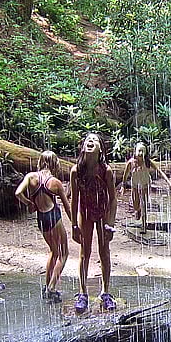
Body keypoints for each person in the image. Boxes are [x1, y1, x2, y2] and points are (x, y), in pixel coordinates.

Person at [70, 132, 117, 314]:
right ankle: (83, 293)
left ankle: (106, 292)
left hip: (103, 213)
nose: (91, 141)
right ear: (83, 147)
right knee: (85, 253)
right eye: (88, 140)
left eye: (95, 140)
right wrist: (74, 225)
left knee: (104, 252)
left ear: (100, 150)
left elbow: (113, 199)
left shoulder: (106, 171)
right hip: (86, 213)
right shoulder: (77, 171)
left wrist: (110, 224)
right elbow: (75, 200)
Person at [15, 151, 71, 302]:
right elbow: (66, 206)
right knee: (63, 253)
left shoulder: (31, 177)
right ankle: (52, 287)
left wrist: (29, 203)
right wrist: (75, 224)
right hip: (53, 216)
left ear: (40, 161)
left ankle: (46, 286)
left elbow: (18, 192)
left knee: (53, 251)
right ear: (54, 164)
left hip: (41, 218)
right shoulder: (55, 182)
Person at [119, 142, 171, 234]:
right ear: (135, 151)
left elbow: (160, 171)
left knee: (144, 204)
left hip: (145, 185)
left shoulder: (148, 162)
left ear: (146, 153)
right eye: (139, 151)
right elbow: (125, 175)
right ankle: (137, 210)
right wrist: (123, 186)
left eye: (143, 151)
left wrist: (170, 184)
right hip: (134, 185)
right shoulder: (131, 163)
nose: (141, 153)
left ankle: (144, 225)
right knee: (135, 205)